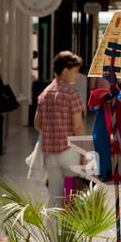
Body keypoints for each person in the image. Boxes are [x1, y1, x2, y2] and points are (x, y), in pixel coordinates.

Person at [34, 51, 85, 205]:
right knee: (70, 195)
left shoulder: (45, 93)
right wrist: (84, 152)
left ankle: (52, 229)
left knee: (54, 196)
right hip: (69, 153)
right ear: (65, 71)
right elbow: (78, 127)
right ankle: (67, 228)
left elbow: (37, 123)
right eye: (75, 71)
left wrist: (53, 128)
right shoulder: (72, 94)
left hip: (51, 154)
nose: (77, 76)